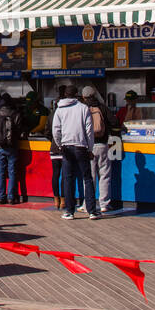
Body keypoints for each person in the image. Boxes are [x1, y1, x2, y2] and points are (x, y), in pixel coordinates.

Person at [51, 87, 96, 220]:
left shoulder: (59, 109)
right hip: (81, 146)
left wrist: (60, 145)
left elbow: (56, 130)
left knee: (68, 179)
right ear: (77, 95)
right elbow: (89, 130)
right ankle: (92, 211)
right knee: (87, 178)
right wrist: (90, 148)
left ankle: (69, 211)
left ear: (65, 95)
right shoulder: (83, 108)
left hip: (66, 147)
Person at [83, 86, 115, 216]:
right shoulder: (103, 107)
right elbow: (114, 122)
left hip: (88, 147)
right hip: (102, 145)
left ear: (84, 97)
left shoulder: (83, 109)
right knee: (105, 175)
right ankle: (104, 204)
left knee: (90, 177)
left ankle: (88, 204)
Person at [0, 93, 21, 204]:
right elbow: (18, 130)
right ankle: (11, 197)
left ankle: (1, 197)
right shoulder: (16, 114)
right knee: (12, 172)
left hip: (0, 147)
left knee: (0, 172)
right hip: (12, 147)